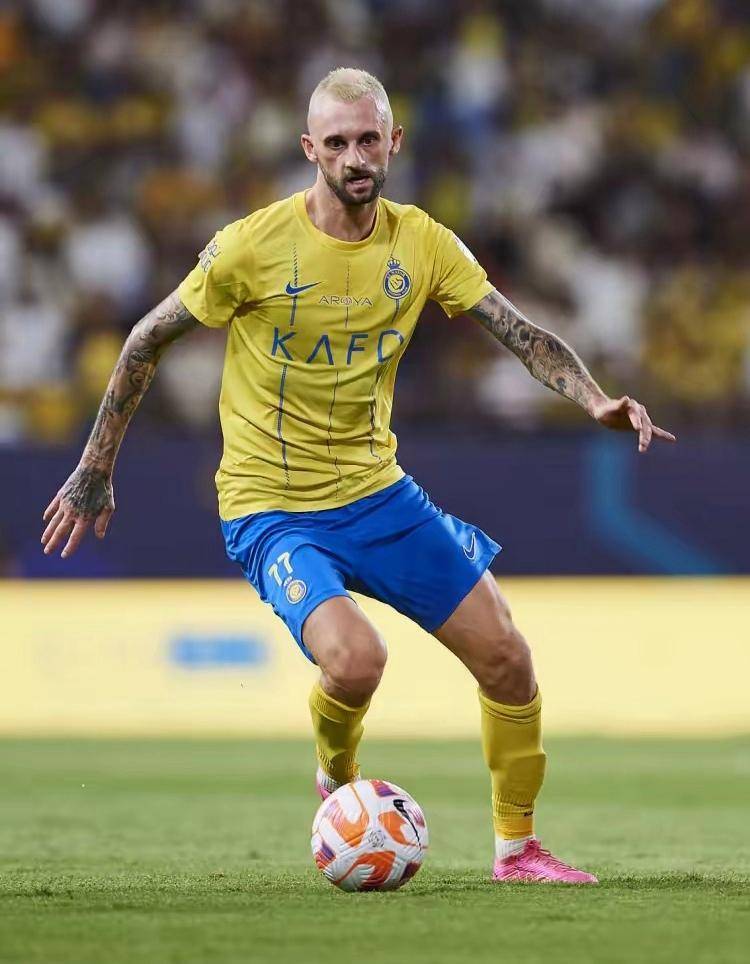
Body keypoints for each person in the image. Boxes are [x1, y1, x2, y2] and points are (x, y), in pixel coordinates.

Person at [41, 68, 675, 884]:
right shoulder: (250, 247)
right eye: (337, 143)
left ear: (393, 143)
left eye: (368, 139)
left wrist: (594, 399)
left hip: (378, 494)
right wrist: (95, 466)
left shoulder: (423, 244)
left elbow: (519, 333)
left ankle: (517, 851)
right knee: (356, 660)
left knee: (507, 656)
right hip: (271, 506)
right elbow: (145, 339)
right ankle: (336, 777)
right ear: (310, 149)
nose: (354, 157)